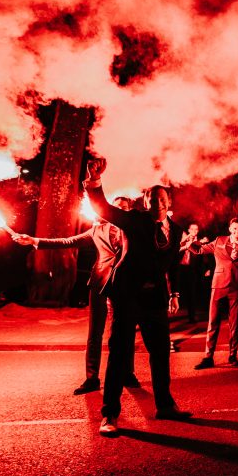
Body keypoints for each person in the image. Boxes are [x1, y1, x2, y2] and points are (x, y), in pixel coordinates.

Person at [83, 158, 191, 437]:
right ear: (145, 202)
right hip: (126, 295)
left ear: (168, 202)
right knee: (119, 354)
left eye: (162, 199)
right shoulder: (132, 221)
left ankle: (165, 406)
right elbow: (103, 208)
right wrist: (95, 181)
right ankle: (109, 414)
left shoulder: (176, 230)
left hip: (155, 298)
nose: (157, 203)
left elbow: (174, 263)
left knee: (160, 353)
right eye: (152, 199)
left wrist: (174, 292)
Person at [12, 196, 141, 395]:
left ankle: (128, 373)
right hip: (99, 282)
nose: (120, 210)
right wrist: (34, 241)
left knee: (124, 331)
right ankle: (92, 378)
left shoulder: (134, 230)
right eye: (116, 207)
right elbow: (68, 241)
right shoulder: (97, 229)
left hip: (124, 284)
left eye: (124, 208)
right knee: (95, 332)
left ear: (128, 210)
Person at [192, 218, 238, 369]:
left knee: (234, 324)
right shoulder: (219, 241)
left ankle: (232, 355)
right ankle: (208, 357)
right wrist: (190, 242)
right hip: (218, 286)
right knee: (213, 322)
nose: (237, 232)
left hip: (236, 288)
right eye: (235, 229)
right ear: (230, 229)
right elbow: (199, 250)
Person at [178, 223, 204, 323]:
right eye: (192, 229)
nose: (194, 231)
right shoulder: (183, 240)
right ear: (189, 230)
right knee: (176, 291)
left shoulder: (200, 242)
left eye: (196, 229)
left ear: (197, 231)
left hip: (192, 270)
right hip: (180, 268)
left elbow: (201, 258)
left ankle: (191, 317)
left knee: (191, 293)